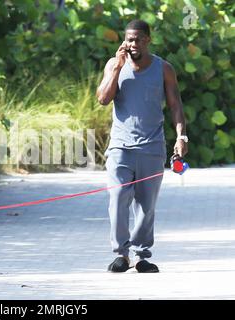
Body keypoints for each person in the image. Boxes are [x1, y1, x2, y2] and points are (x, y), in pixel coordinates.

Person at [96, 20, 188, 273]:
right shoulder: (114, 65)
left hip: (152, 147)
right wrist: (116, 68)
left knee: (146, 205)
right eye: (128, 39)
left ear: (148, 40)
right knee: (117, 198)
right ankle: (120, 254)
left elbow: (176, 106)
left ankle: (141, 256)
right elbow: (103, 99)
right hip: (120, 148)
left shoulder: (163, 69)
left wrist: (182, 137)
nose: (132, 44)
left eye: (137, 39)